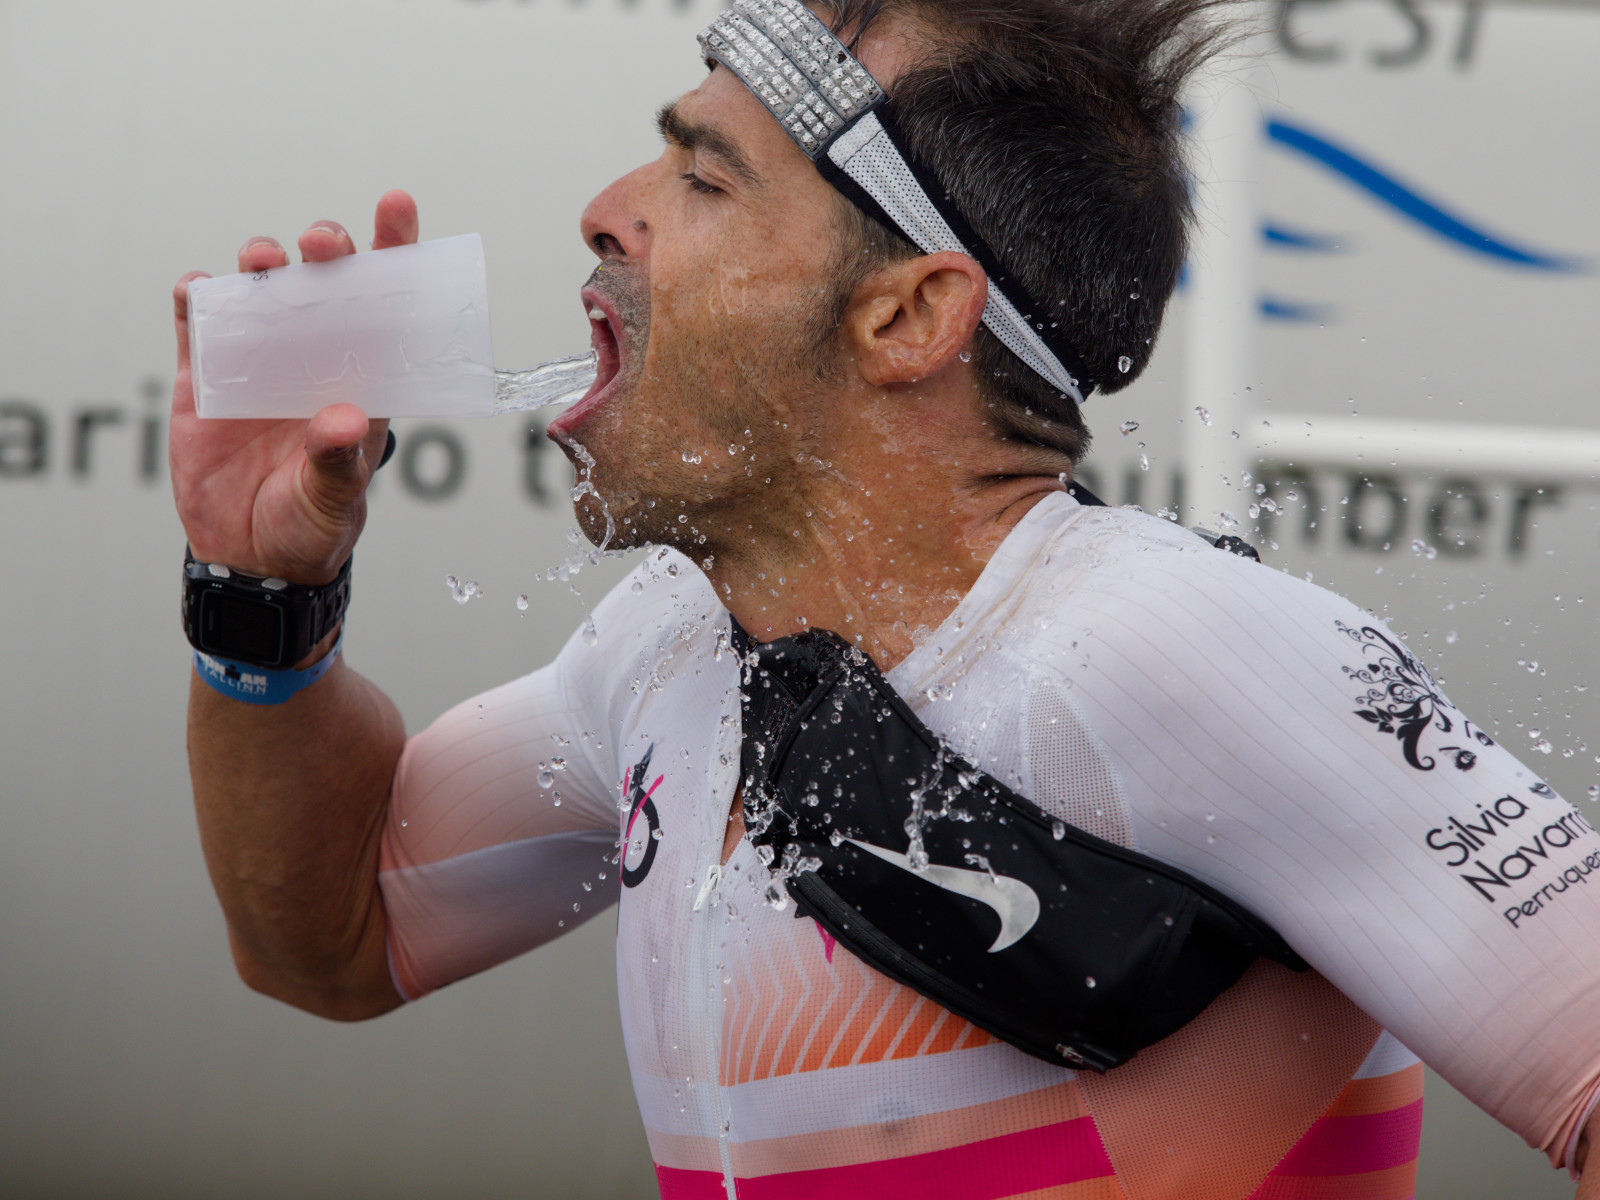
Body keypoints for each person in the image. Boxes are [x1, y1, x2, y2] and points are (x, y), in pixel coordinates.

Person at [169, 0, 1600, 1196]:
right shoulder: (663, 650)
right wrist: (259, 588)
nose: (605, 212)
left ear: (907, 315)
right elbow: (333, 941)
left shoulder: (1169, 646)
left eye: (704, 179)